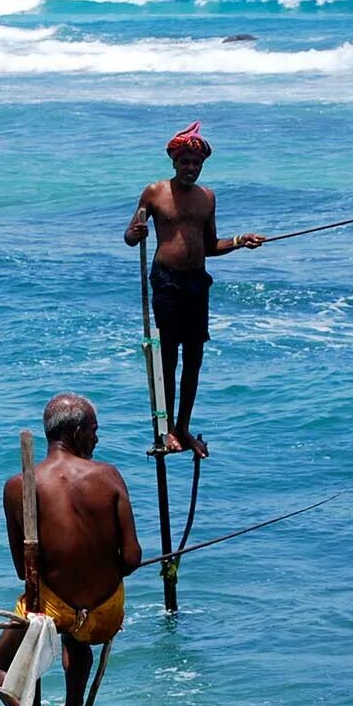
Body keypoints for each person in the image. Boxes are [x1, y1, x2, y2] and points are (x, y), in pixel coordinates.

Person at [0, 394, 141, 706]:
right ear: (75, 432)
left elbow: (24, 572)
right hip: (104, 613)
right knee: (80, 637)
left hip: (50, 612)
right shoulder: (109, 476)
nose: (97, 441)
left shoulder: (18, 486)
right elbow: (133, 559)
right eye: (93, 432)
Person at [123, 121, 266, 457]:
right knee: (169, 357)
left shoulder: (207, 198)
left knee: (195, 358)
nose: (190, 168)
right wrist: (137, 233)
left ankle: (183, 428)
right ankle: (166, 428)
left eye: (196, 163)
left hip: (196, 283)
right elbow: (130, 237)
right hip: (166, 282)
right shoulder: (154, 192)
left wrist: (239, 241)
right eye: (185, 162)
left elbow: (210, 245)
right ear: (174, 162)